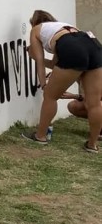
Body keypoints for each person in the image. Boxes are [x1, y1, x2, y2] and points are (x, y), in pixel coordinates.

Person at [22, 10, 102, 152]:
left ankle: (40, 136)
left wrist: (44, 84)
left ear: (34, 23)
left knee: (50, 96)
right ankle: (92, 144)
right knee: (94, 103)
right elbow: (56, 64)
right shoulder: (64, 28)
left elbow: (40, 61)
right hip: (93, 45)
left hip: (72, 49)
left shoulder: (36, 29)